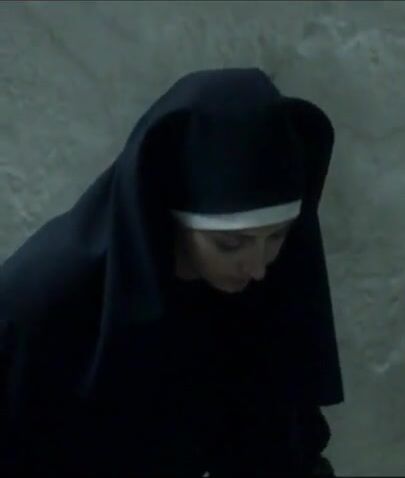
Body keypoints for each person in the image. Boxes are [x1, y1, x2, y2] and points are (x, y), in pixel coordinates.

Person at [0, 68, 344, 476]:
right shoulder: (41, 301)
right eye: (230, 244)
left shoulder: (264, 286)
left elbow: (280, 447)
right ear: (171, 217)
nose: (257, 268)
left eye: (276, 237)